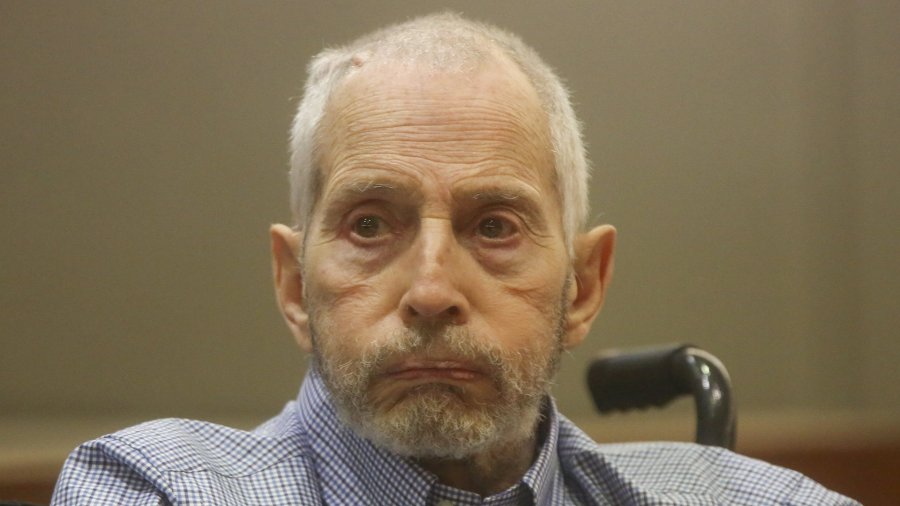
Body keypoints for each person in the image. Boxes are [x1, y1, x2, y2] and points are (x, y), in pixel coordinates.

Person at [51, 12, 856, 505]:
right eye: (369, 226)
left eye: (496, 226)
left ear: (584, 287)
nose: (432, 290)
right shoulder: (154, 489)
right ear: (295, 286)